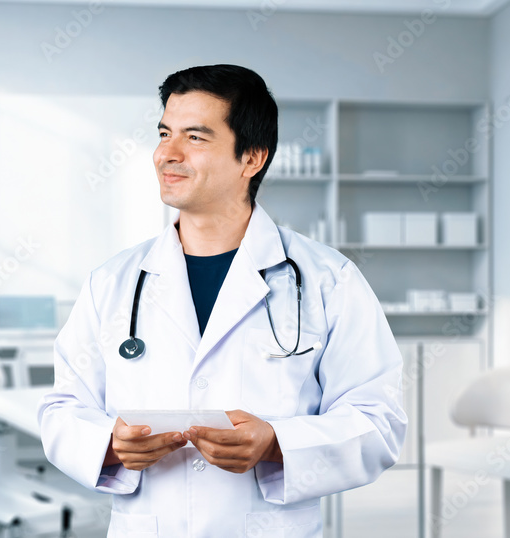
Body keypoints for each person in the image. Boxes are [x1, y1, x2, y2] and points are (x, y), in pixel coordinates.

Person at [37, 64, 407, 537]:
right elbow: (63, 409)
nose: (167, 154)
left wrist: (276, 442)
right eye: (164, 133)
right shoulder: (112, 283)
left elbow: (378, 422)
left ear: (251, 158)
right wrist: (109, 442)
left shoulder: (328, 281)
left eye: (194, 137)